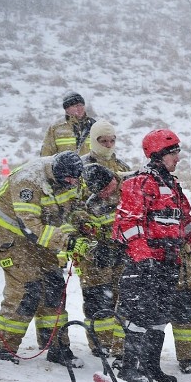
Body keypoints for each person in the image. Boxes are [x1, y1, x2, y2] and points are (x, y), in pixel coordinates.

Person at [112, 129, 191, 382]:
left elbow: (185, 223)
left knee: (161, 316)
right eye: (174, 153)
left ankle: (151, 366)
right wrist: (143, 257)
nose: (178, 158)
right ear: (158, 155)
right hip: (145, 264)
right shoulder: (139, 183)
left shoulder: (173, 186)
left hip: (169, 262)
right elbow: (127, 223)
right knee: (140, 315)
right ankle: (130, 368)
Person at [0, 151, 89, 367]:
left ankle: (56, 346)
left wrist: (80, 230)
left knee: (53, 287)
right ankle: (2, 346)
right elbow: (30, 227)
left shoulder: (73, 178)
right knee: (27, 290)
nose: (72, 184)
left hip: (45, 235)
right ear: (57, 173)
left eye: (75, 180)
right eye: (68, 180)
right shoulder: (29, 180)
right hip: (13, 237)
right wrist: (67, 242)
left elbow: (74, 210)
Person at [78, 119, 132, 360]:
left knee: (120, 294)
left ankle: (118, 344)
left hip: (120, 243)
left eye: (112, 140)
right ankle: (99, 343)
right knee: (96, 294)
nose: (108, 144)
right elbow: (74, 206)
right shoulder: (81, 168)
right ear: (93, 141)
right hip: (93, 245)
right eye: (103, 140)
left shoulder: (121, 166)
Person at [66, 164, 123, 358]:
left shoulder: (130, 188)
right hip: (95, 258)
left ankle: (119, 345)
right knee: (98, 300)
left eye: (108, 188)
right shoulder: (85, 201)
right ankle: (100, 344)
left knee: (120, 300)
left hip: (122, 255)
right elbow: (77, 228)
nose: (106, 194)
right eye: (101, 191)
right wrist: (95, 250)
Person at [40, 91, 95, 156]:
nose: (80, 108)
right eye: (75, 106)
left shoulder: (94, 125)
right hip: (65, 166)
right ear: (67, 109)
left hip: (88, 166)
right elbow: (46, 154)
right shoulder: (56, 128)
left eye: (81, 105)